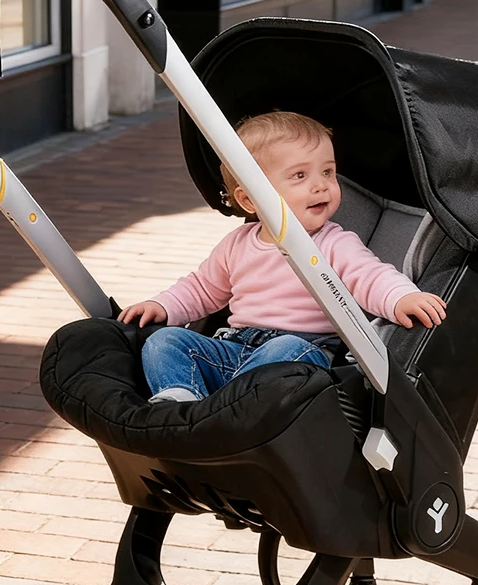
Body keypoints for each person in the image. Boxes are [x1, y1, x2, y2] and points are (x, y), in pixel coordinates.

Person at [121, 111, 447, 402]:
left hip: (302, 353)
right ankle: (182, 401)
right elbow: (200, 289)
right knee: (165, 342)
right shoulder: (237, 244)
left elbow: (370, 276)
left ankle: (230, 407)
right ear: (249, 199)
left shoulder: (333, 243)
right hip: (235, 349)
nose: (321, 186)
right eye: (300, 176)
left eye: (328, 172)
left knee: (282, 350)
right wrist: (162, 306)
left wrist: (402, 296)